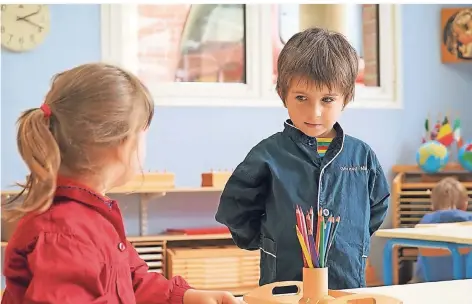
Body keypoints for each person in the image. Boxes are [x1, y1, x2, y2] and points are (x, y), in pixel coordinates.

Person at [2, 63, 241, 304]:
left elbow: (130, 281)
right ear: (123, 145)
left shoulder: (91, 220)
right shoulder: (66, 235)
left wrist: (186, 297)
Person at [215, 28, 390, 290]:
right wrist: (264, 239)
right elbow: (236, 207)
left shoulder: (362, 156)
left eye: (327, 99)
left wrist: (354, 242)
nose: (315, 112)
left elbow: (377, 209)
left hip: (346, 284)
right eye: (301, 98)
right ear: (282, 93)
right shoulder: (267, 154)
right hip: (284, 283)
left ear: (346, 98)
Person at [412, 177, 472, 283]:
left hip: (427, 281)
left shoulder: (425, 222)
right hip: (466, 281)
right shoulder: (469, 221)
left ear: (433, 206)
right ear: (465, 204)